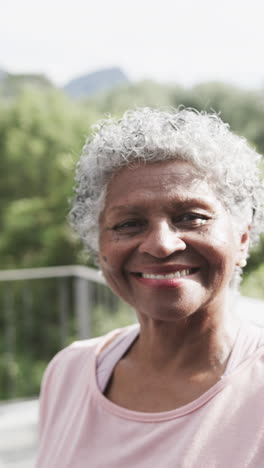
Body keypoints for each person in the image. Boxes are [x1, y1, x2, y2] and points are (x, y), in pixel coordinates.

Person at [36, 108, 264, 468]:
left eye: (191, 217)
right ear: (99, 248)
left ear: (242, 238)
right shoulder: (69, 372)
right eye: (128, 224)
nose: (161, 244)